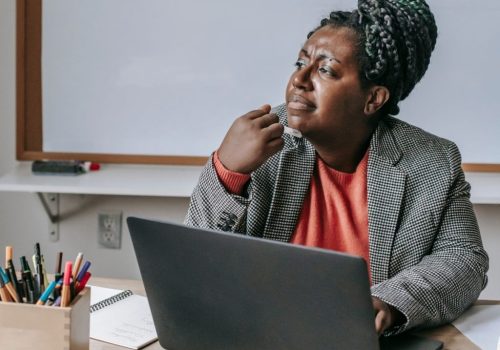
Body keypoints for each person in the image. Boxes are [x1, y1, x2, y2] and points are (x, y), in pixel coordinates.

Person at [185, 0, 489, 336]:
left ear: (373, 99)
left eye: (325, 70)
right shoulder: (258, 143)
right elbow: (191, 268)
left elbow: (465, 260)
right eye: (300, 62)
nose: (299, 79)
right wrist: (228, 171)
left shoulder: (432, 161)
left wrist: (388, 303)